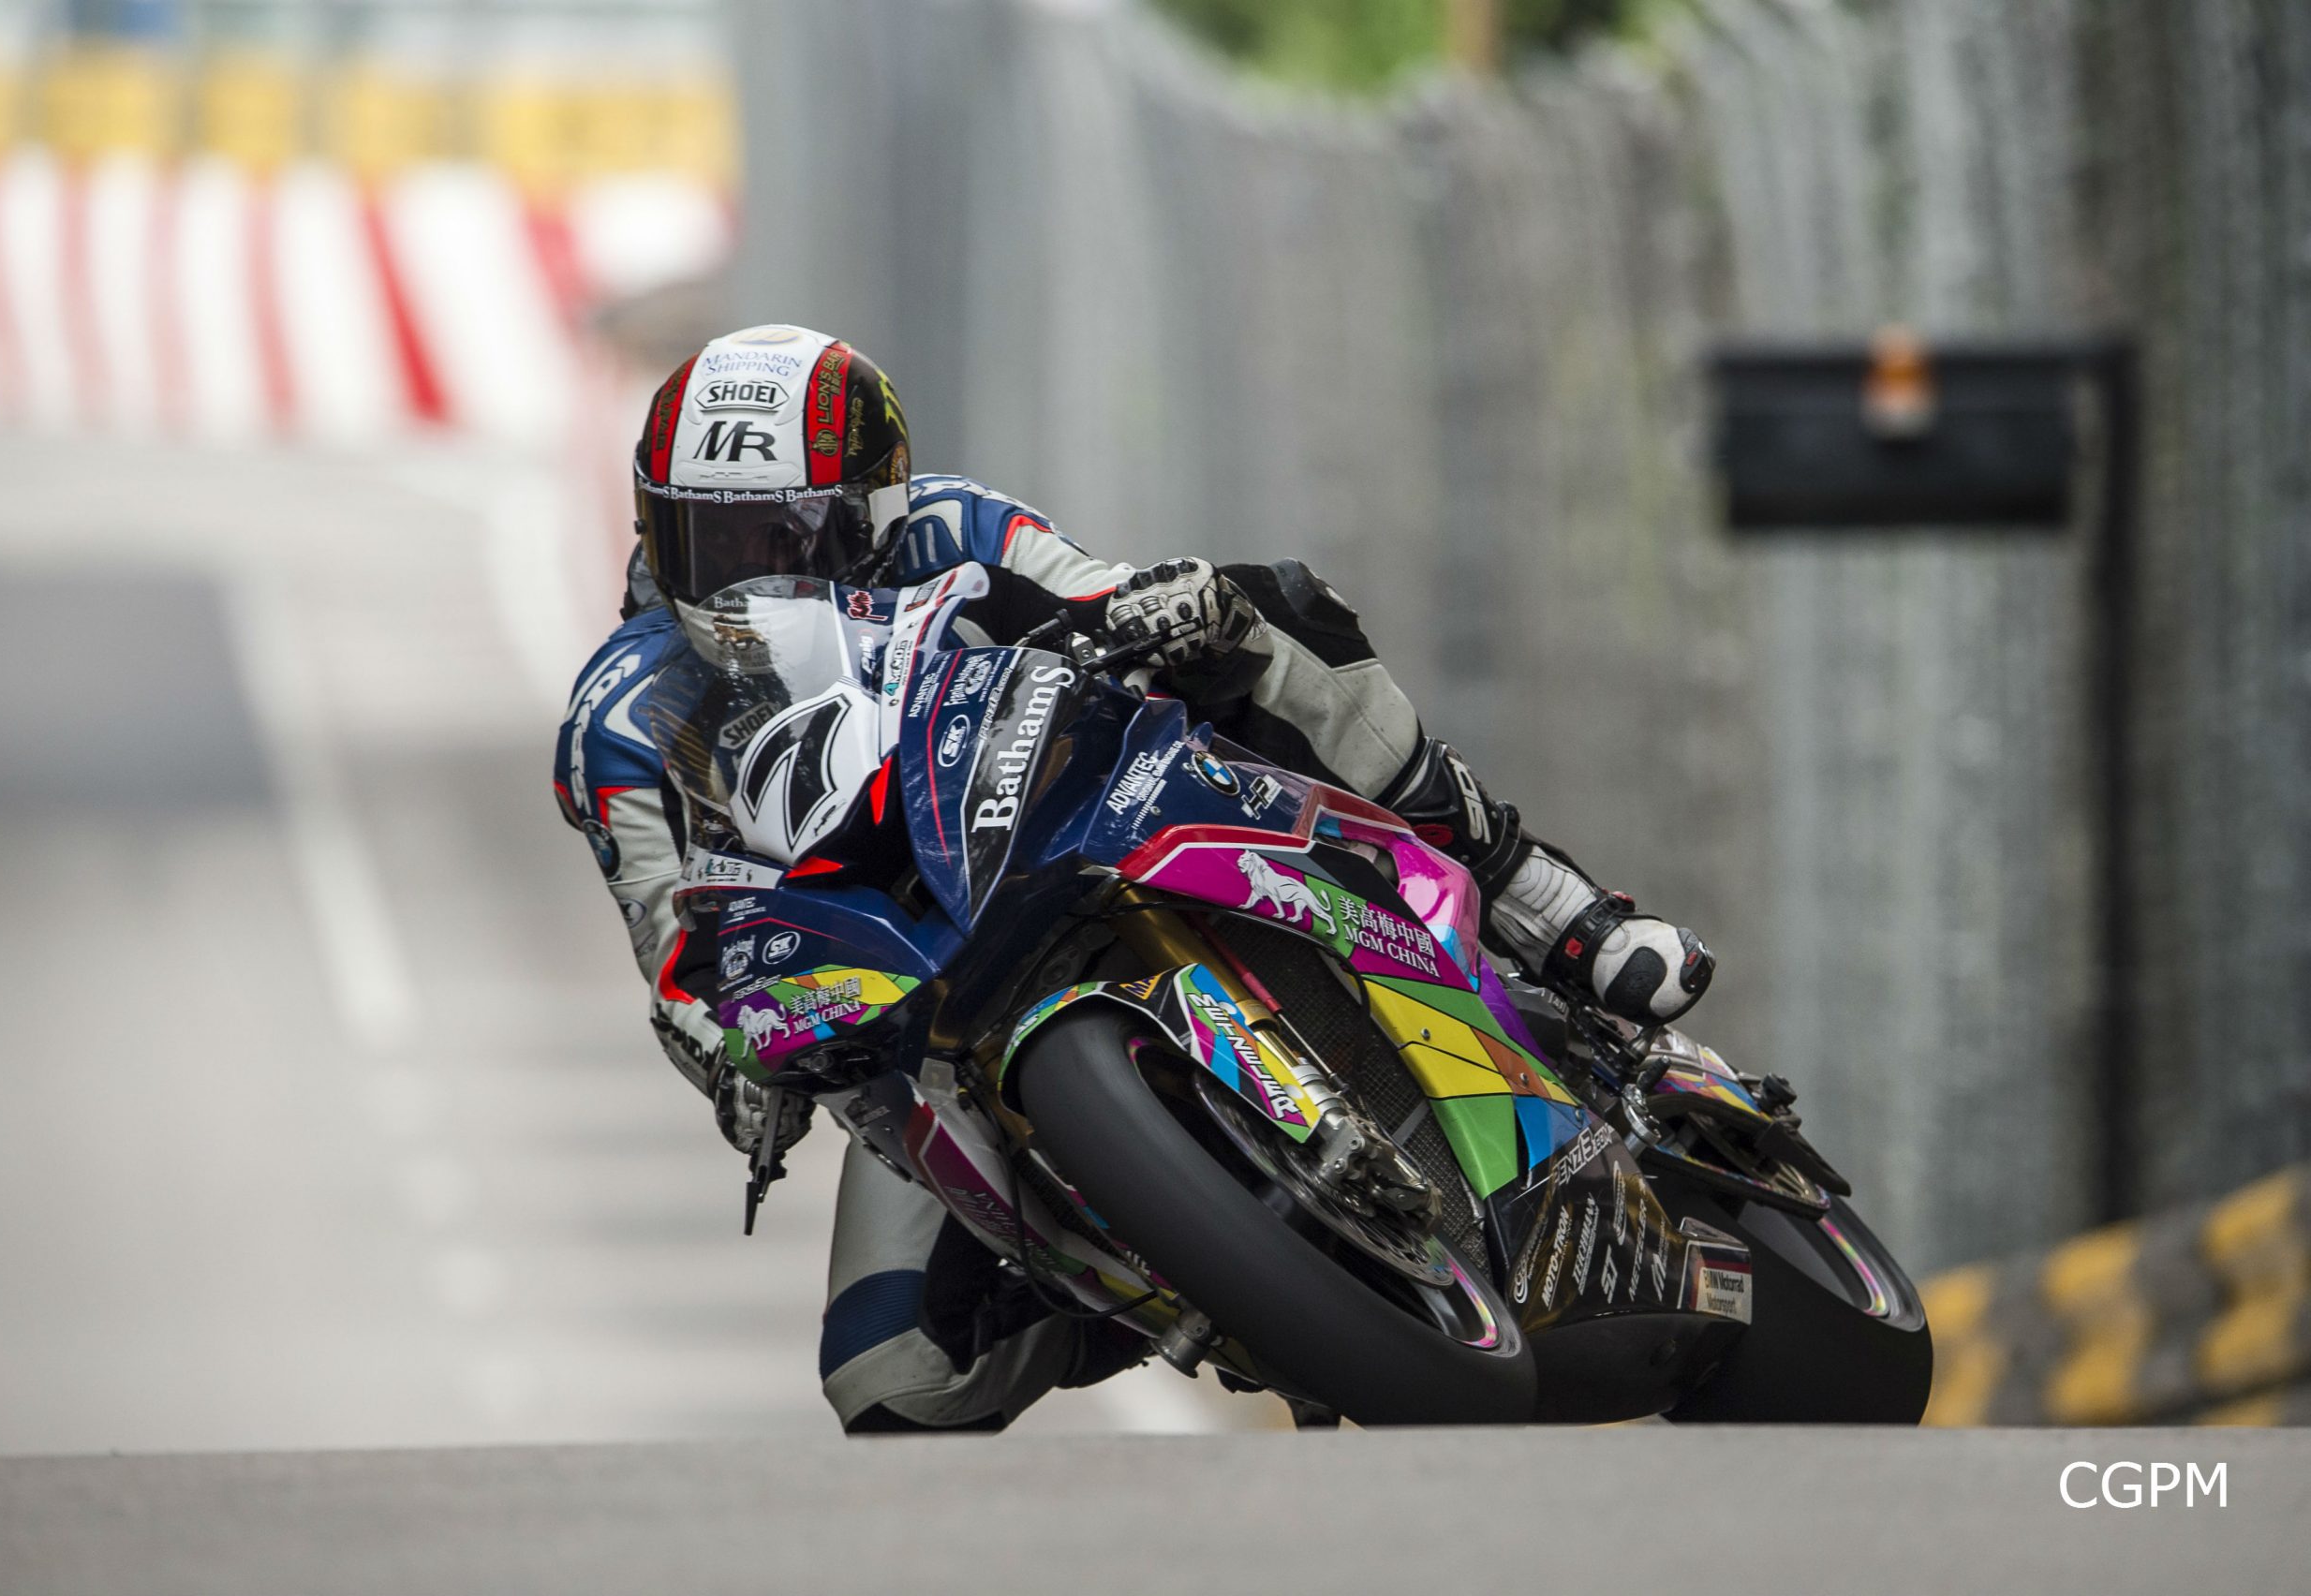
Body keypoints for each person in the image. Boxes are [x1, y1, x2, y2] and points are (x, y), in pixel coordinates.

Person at [555, 324, 1712, 1432]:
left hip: (1068, 826)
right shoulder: (620, 714)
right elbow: (670, 950)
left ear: (873, 511)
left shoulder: (957, 527)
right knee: (890, 1379)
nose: (747, 580)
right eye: (708, 541)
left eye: (785, 539)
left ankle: (1533, 897)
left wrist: (1165, 605)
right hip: (897, 1005)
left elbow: (1101, 595)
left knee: (1266, 612)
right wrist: (734, 1065)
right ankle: (1177, 1264)